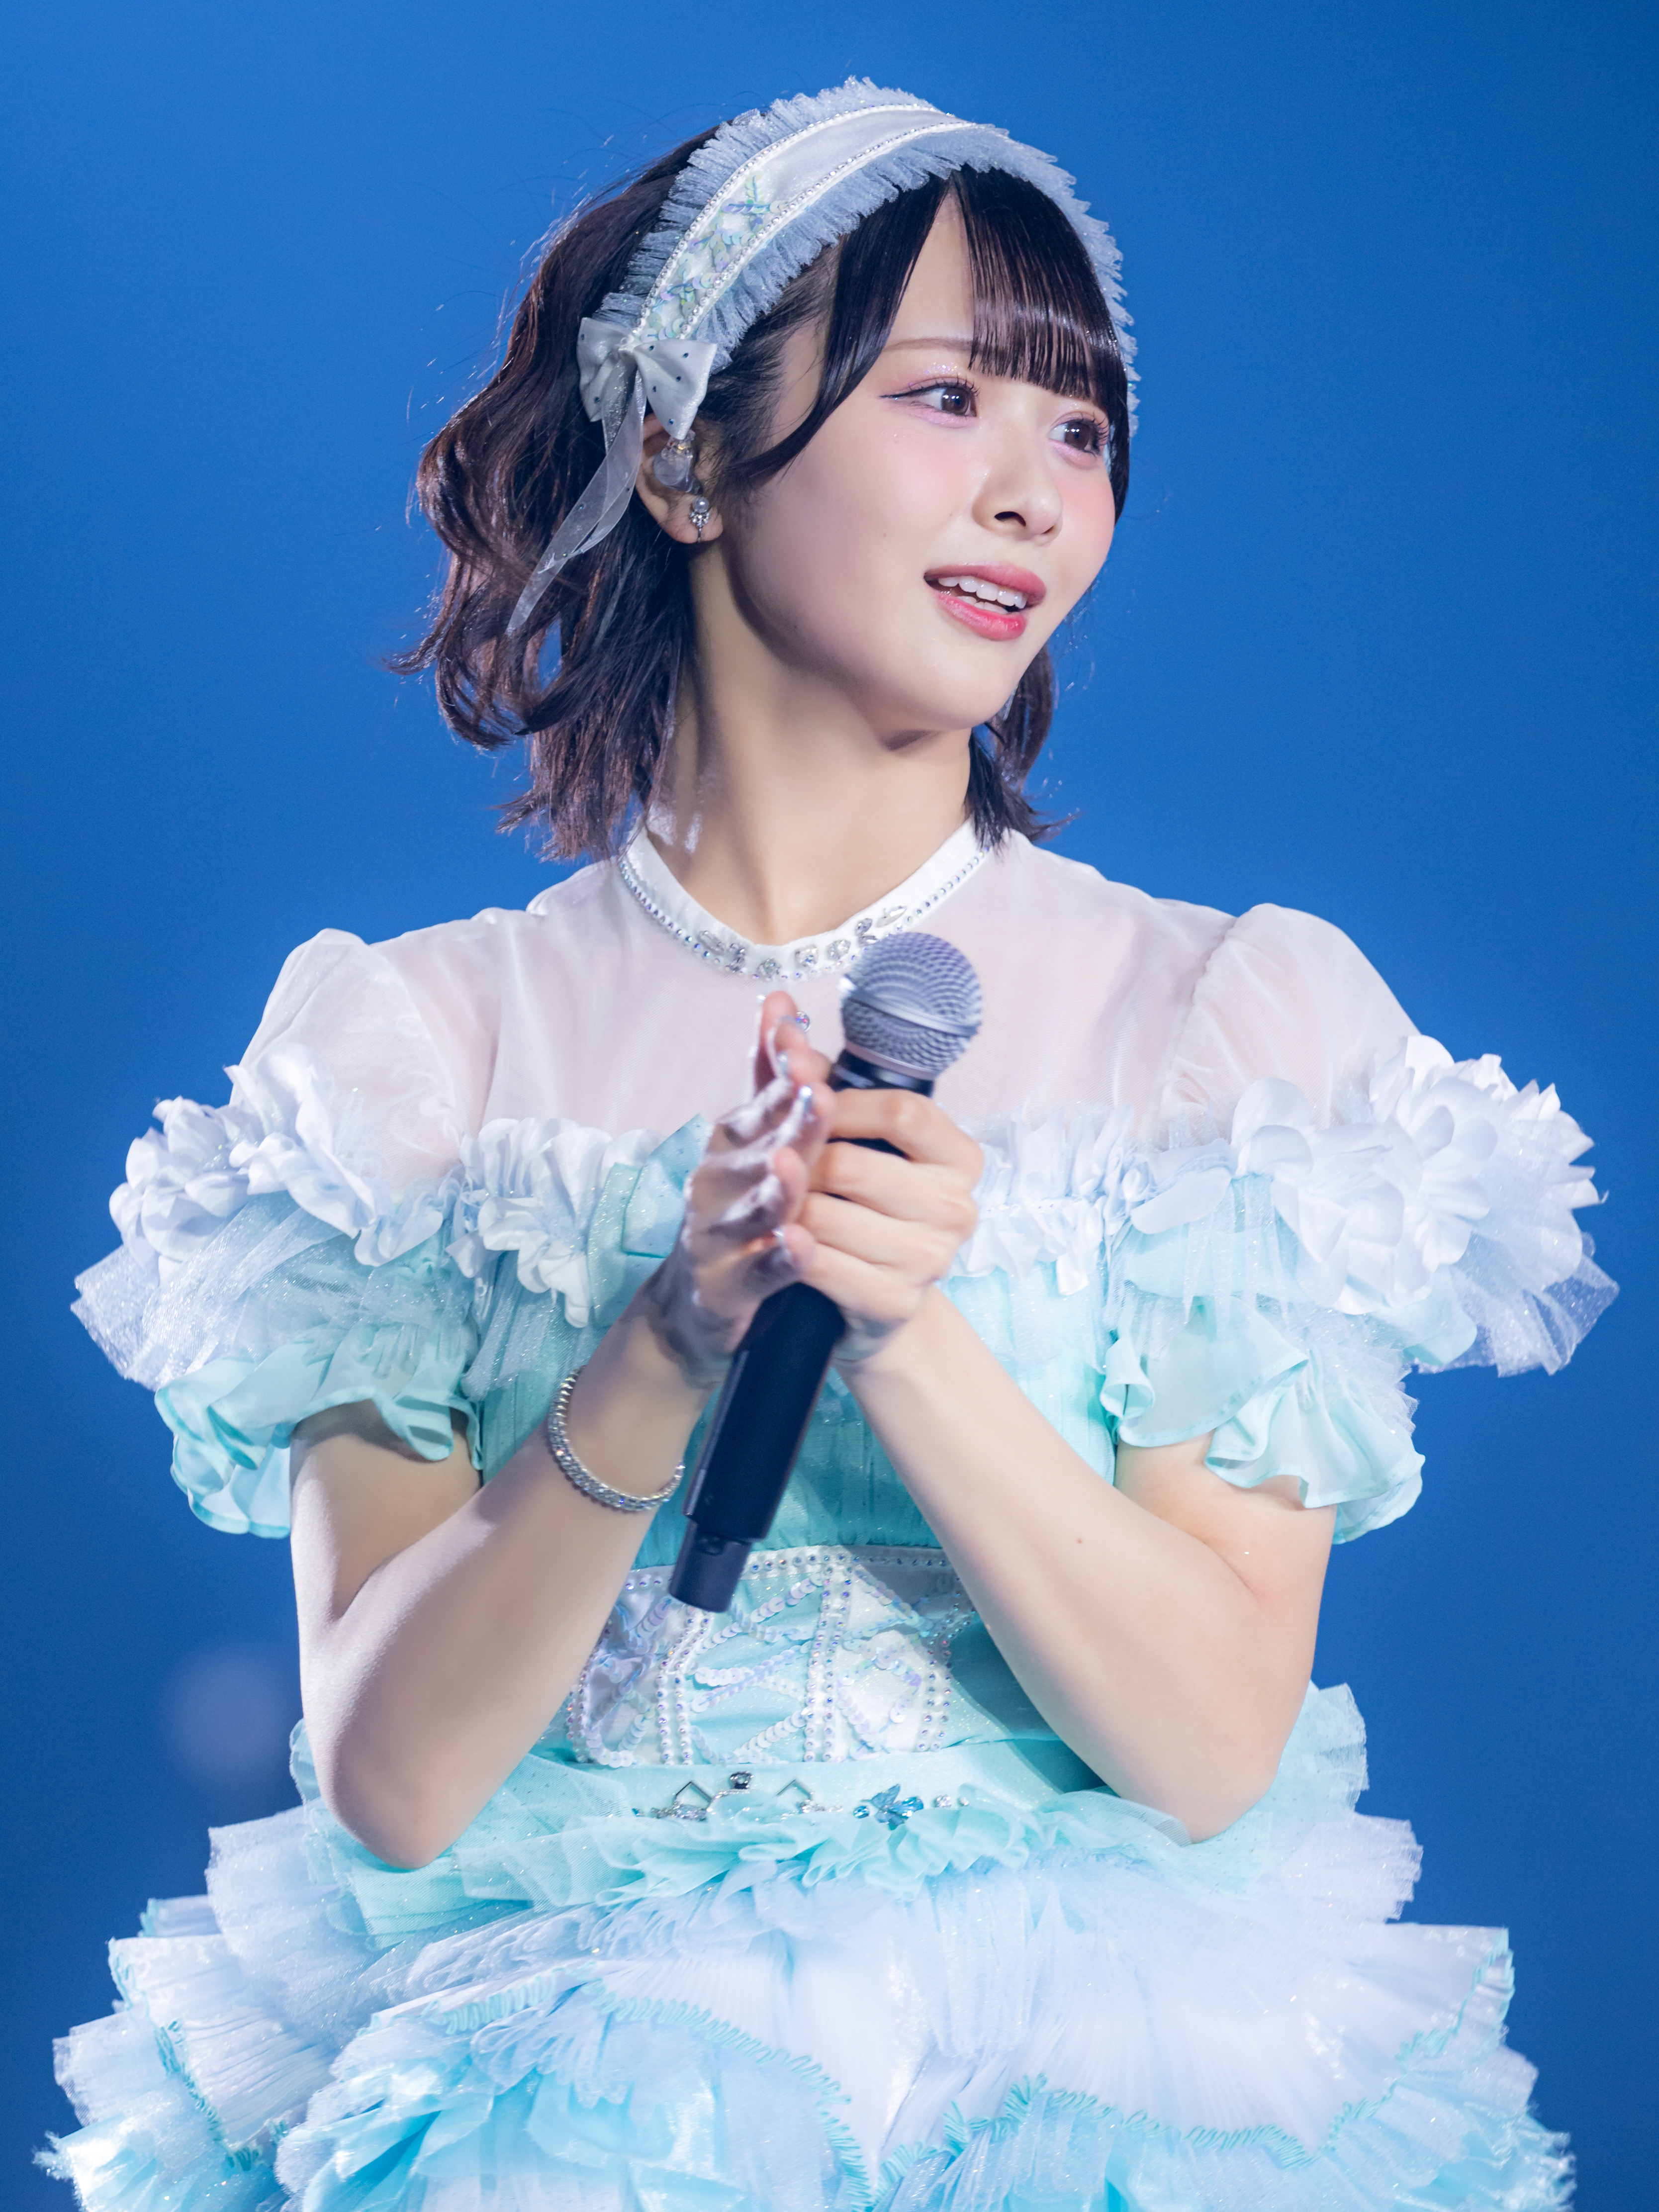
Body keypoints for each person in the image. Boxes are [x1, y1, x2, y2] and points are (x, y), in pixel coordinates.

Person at [44, 80, 1613, 2212]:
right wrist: (671, 1331)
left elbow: (1209, 1749)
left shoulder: (1220, 1021)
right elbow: (392, 1783)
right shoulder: (419, 1050)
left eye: (1084, 428)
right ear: (682, 456)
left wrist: (906, 1327)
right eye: (949, 396)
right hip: (567, 2105)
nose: (1035, 492)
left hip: (1097, 2085)